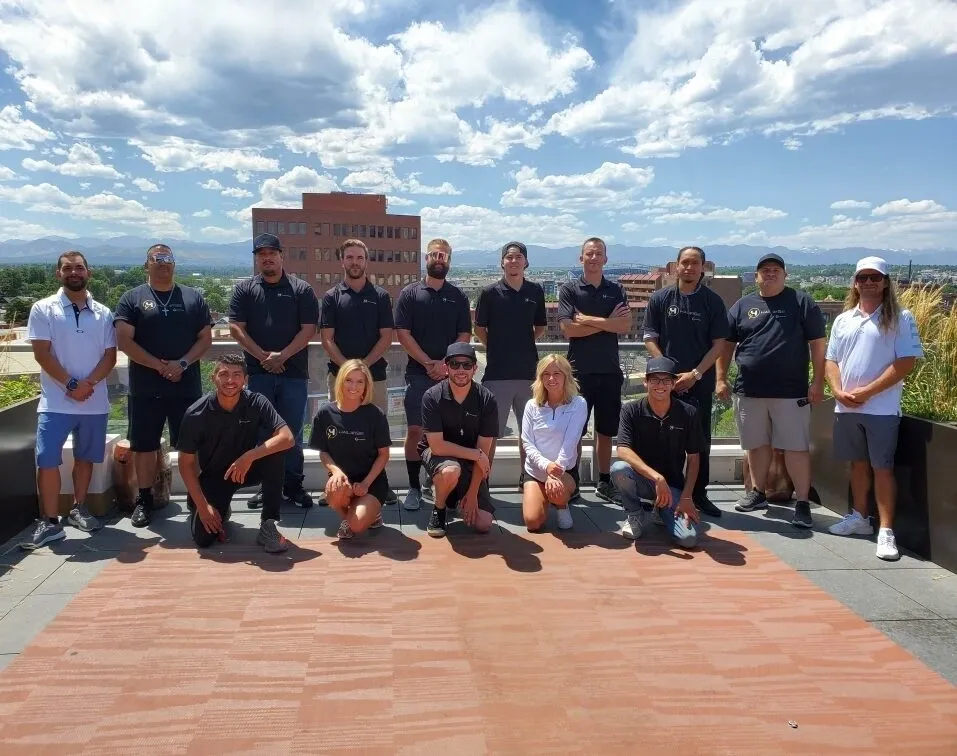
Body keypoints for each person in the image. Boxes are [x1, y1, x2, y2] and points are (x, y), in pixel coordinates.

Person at [716, 252, 826, 528]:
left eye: (776, 269)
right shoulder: (743, 305)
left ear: (785, 275)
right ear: (756, 276)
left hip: (791, 392)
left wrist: (817, 382)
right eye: (765, 270)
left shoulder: (801, 302)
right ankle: (757, 493)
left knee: (796, 448)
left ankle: (802, 503)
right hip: (749, 390)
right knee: (756, 445)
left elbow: (817, 345)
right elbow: (727, 344)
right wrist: (721, 378)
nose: (770, 273)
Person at [824, 256, 923, 561]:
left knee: (882, 469)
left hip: (881, 408)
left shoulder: (900, 318)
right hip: (847, 407)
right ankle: (860, 519)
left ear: (885, 282)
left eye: (875, 278)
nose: (869, 282)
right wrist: (838, 390)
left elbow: (906, 362)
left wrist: (868, 391)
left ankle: (886, 531)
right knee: (857, 464)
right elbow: (831, 361)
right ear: (855, 282)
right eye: (863, 277)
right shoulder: (844, 319)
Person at [22, 251, 117, 549]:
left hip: (93, 400)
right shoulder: (43, 308)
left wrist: (87, 385)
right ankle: (50, 522)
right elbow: (41, 353)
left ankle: (79, 508)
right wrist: (71, 384)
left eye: (79, 267)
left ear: (88, 272)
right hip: (55, 402)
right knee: (47, 460)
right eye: (67, 268)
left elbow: (110, 356)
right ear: (58, 274)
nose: (73, 272)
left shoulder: (103, 312)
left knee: (85, 458)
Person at [114, 244, 212, 528]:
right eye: (156, 259)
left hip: (186, 387)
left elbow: (205, 338)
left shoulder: (193, 297)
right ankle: (143, 500)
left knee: (190, 446)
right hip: (145, 388)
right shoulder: (132, 298)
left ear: (174, 264)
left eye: (168, 258)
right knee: (143, 446)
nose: (162, 263)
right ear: (146, 265)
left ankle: (196, 498)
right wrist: (160, 366)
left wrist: (180, 364)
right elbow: (124, 341)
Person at [229, 232, 319, 510]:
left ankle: (293, 486)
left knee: (293, 431)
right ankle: (267, 487)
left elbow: (309, 329)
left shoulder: (301, 289)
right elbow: (235, 327)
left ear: (282, 256)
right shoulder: (244, 290)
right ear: (257, 259)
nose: (267, 258)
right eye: (261, 254)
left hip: (293, 375)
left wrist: (283, 356)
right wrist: (263, 357)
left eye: (272, 253)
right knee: (262, 431)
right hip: (258, 374)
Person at [176, 354, 294, 553]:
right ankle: (214, 505)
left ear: (246, 380)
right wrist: (204, 508)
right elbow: (185, 463)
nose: (230, 380)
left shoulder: (257, 402)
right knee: (203, 539)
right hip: (215, 476)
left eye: (237, 375)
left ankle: (268, 524)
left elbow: (287, 437)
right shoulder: (196, 413)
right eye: (224, 374)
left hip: (246, 469)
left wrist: (249, 456)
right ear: (213, 378)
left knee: (276, 452)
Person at [643, 246, 728, 518]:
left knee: (699, 440)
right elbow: (649, 338)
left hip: (699, 382)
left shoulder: (712, 302)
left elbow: (719, 344)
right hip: (664, 385)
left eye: (695, 264)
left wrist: (695, 374)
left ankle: (698, 494)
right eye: (685, 263)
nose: (689, 268)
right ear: (675, 267)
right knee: (662, 439)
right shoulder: (660, 298)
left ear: (703, 267)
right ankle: (662, 492)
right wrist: (666, 372)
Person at [394, 238, 471, 511]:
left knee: (446, 433)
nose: (439, 259)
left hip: (451, 377)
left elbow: (465, 334)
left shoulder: (458, 296)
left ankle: (436, 480)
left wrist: (446, 366)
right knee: (416, 431)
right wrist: (429, 363)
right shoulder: (410, 294)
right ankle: (414, 487)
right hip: (418, 374)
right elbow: (403, 333)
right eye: (435, 255)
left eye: (444, 255)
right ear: (426, 259)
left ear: (449, 261)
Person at [319, 238, 397, 505]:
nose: (355, 262)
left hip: (375, 377)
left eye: (359, 258)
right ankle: (335, 483)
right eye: (350, 257)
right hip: (339, 376)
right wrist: (348, 369)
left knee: (377, 433)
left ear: (366, 261)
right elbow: (327, 338)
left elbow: (386, 337)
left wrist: (363, 368)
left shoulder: (381, 297)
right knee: (337, 433)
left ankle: (378, 485)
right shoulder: (331, 297)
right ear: (342, 261)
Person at [558, 237, 631, 502]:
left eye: (598, 253)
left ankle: (603, 481)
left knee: (605, 431)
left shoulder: (616, 289)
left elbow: (624, 326)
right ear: (581, 258)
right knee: (574, 429)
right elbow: (568, 330)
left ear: (605, 259)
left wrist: (588, 320)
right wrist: (607, 322)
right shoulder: (569, 289)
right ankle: (572, 479)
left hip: (609, 371)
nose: (593, 257)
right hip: (578, 372)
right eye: (589, 253)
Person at [474, 241, 547, 490]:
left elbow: (541, 327)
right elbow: (479, 329)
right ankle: (483, 483)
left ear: (526, 262)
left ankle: (527, 481)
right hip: (497, 373)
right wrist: (495, 346)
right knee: (489, 434)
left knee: (529, 434)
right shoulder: (489, 293)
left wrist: (521, 343)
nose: (513, 261)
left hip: (528, 372)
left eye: (518, 257)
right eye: (509, 257)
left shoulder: (535, 291)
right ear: (502, 262)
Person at [610, 357, 701, 548]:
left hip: (673, 487)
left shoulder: (689, 413)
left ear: (674, 383)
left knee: (688, 540)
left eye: (666, 380)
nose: (660, 385)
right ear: (646, 382)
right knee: (619, 469)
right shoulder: (630, 410)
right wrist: (657, 477)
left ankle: (661, 510)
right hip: (643, 479)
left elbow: (694, 458)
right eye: (655, 380)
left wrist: (686, 497)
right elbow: (622, 449)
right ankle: (634, 514)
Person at [419, 343, 498, 539]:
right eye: (454, 364)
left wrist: (472, 495)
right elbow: (436, 446)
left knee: (483, 524)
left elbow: (483, 452)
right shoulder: (432, 397)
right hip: (440, 455)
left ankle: (455, 494)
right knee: (451, 470)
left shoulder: (487, 399)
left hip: (471, 461)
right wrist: (476, 455)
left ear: (475, 368)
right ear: (446, 368)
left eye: (466, 364)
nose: (460, 370)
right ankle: (439, 508)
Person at [309, 359, 391, 540]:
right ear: (341, 381)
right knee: (334, 494)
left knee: (358, 526)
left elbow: (384, 455)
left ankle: (370, 514)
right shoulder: (325, 413)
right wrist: (335, 471)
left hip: (371, 482)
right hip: (342, 481)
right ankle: (348, 517)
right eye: (349, 380)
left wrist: (366, 484)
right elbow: (323, 452)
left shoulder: (375, 414)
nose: (353, 386)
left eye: (359, 381)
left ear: (366, 385)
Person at [520, 354, 587, 532]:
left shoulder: (578, 404)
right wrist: (546, 466)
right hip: (535, 472)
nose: (551, 378)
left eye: (557, 373)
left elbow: (571, 442)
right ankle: (543, 495)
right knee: (533, 523)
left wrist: (556, 470)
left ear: (566, 376)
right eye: (546, 374)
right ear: (540, 378)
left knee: (558, 493)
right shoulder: (531, 405)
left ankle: (561, 505)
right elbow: (527, 442)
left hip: (564, 471)